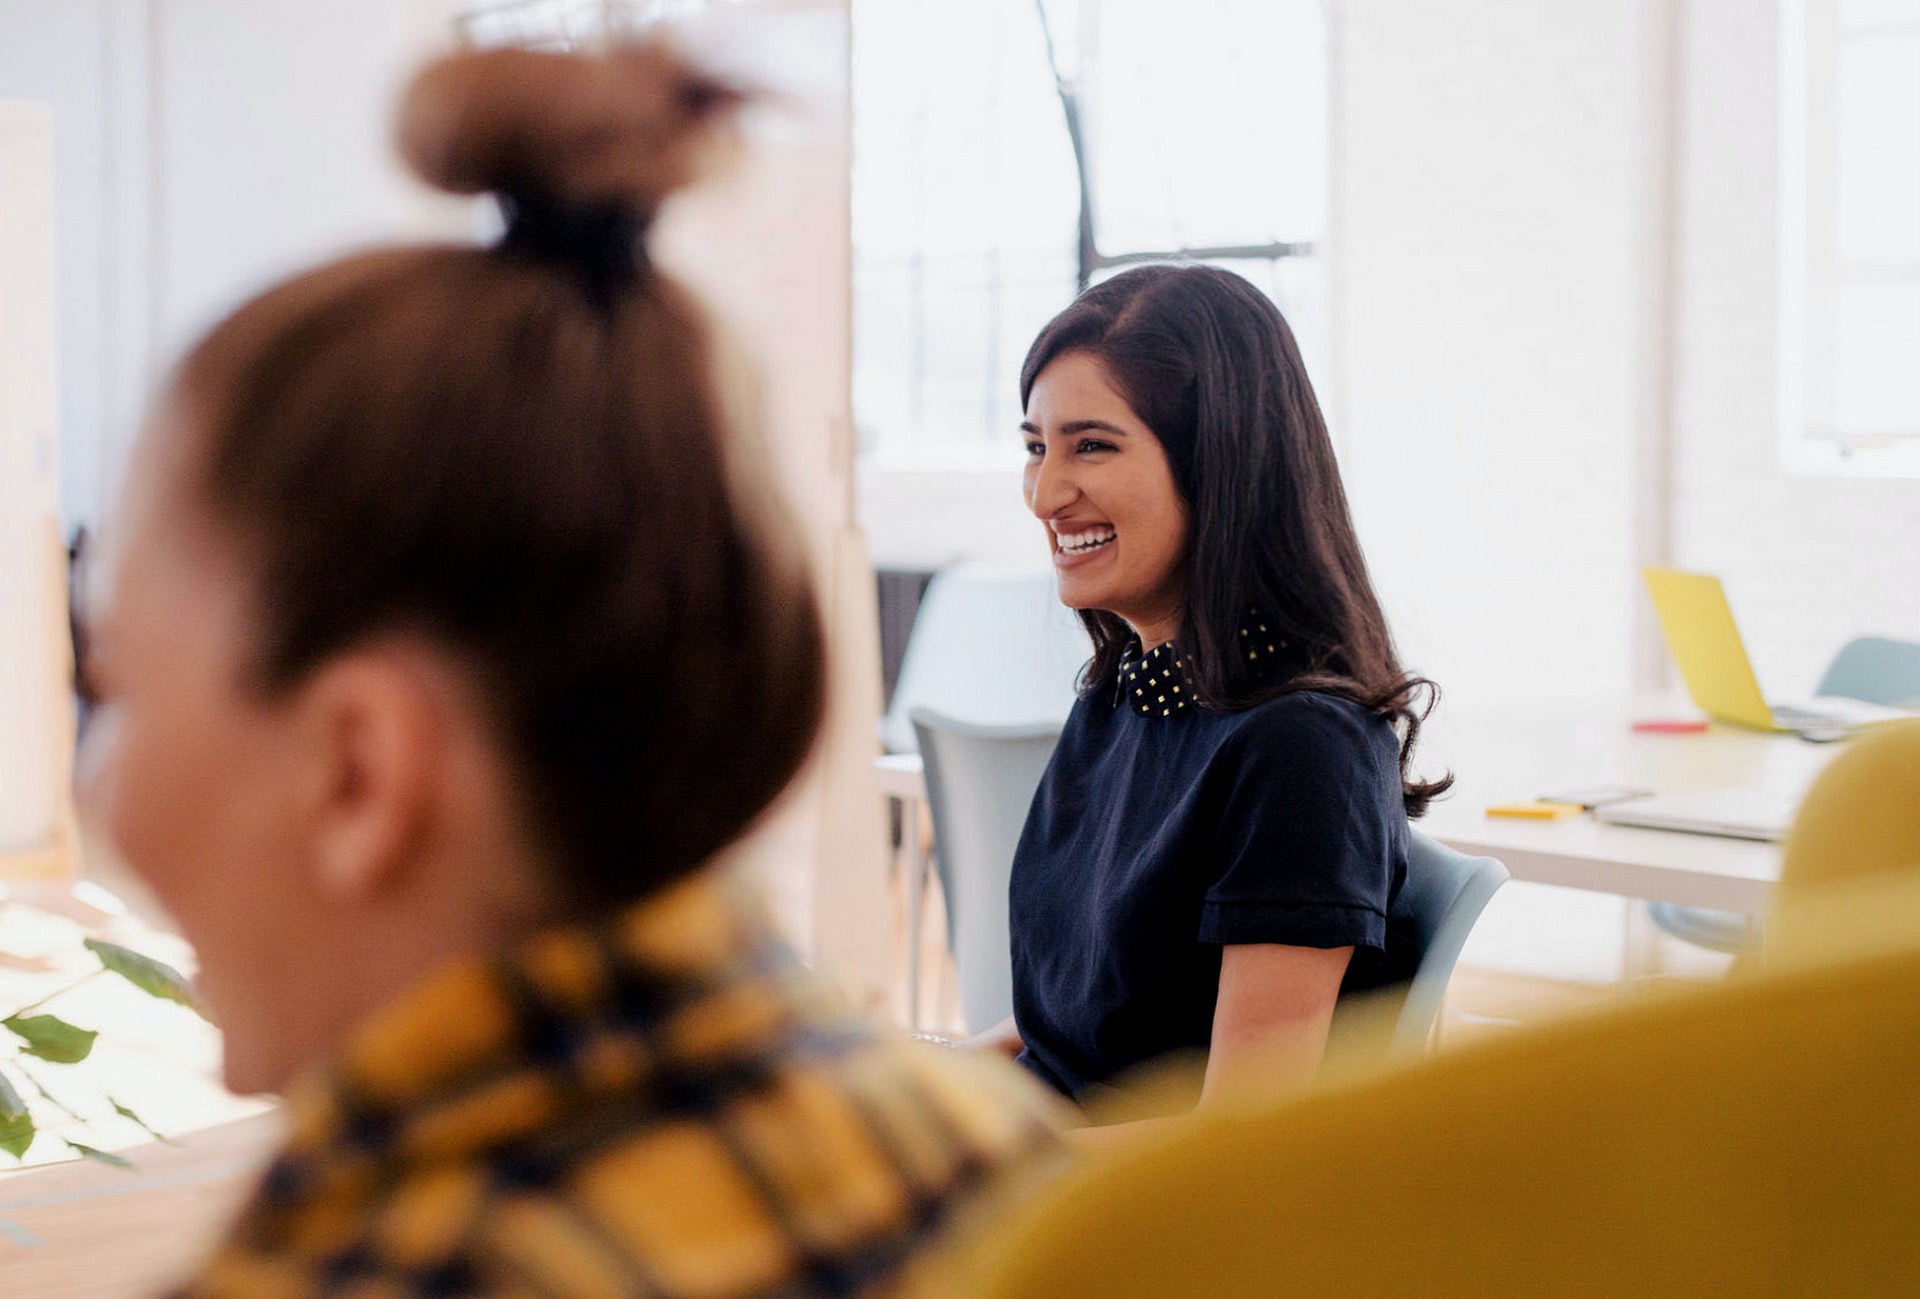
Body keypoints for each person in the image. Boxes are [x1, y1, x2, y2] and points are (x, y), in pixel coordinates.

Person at [80, 41, 1057, 1298]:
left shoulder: (354, 1271)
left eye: (119, 691)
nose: (102, 798)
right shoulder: (987, 1153)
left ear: (361, 769)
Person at [992, 264, 1449, 1112]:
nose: (1046, 493)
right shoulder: (1118, 693)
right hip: (1043, 1166)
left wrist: (959, 1163)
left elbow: (1234, 1137)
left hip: (1123, 1214)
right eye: (1035, 447)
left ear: (1221, 462)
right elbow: (1059, 1038)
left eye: (1091, 444)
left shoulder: (1302, 749)